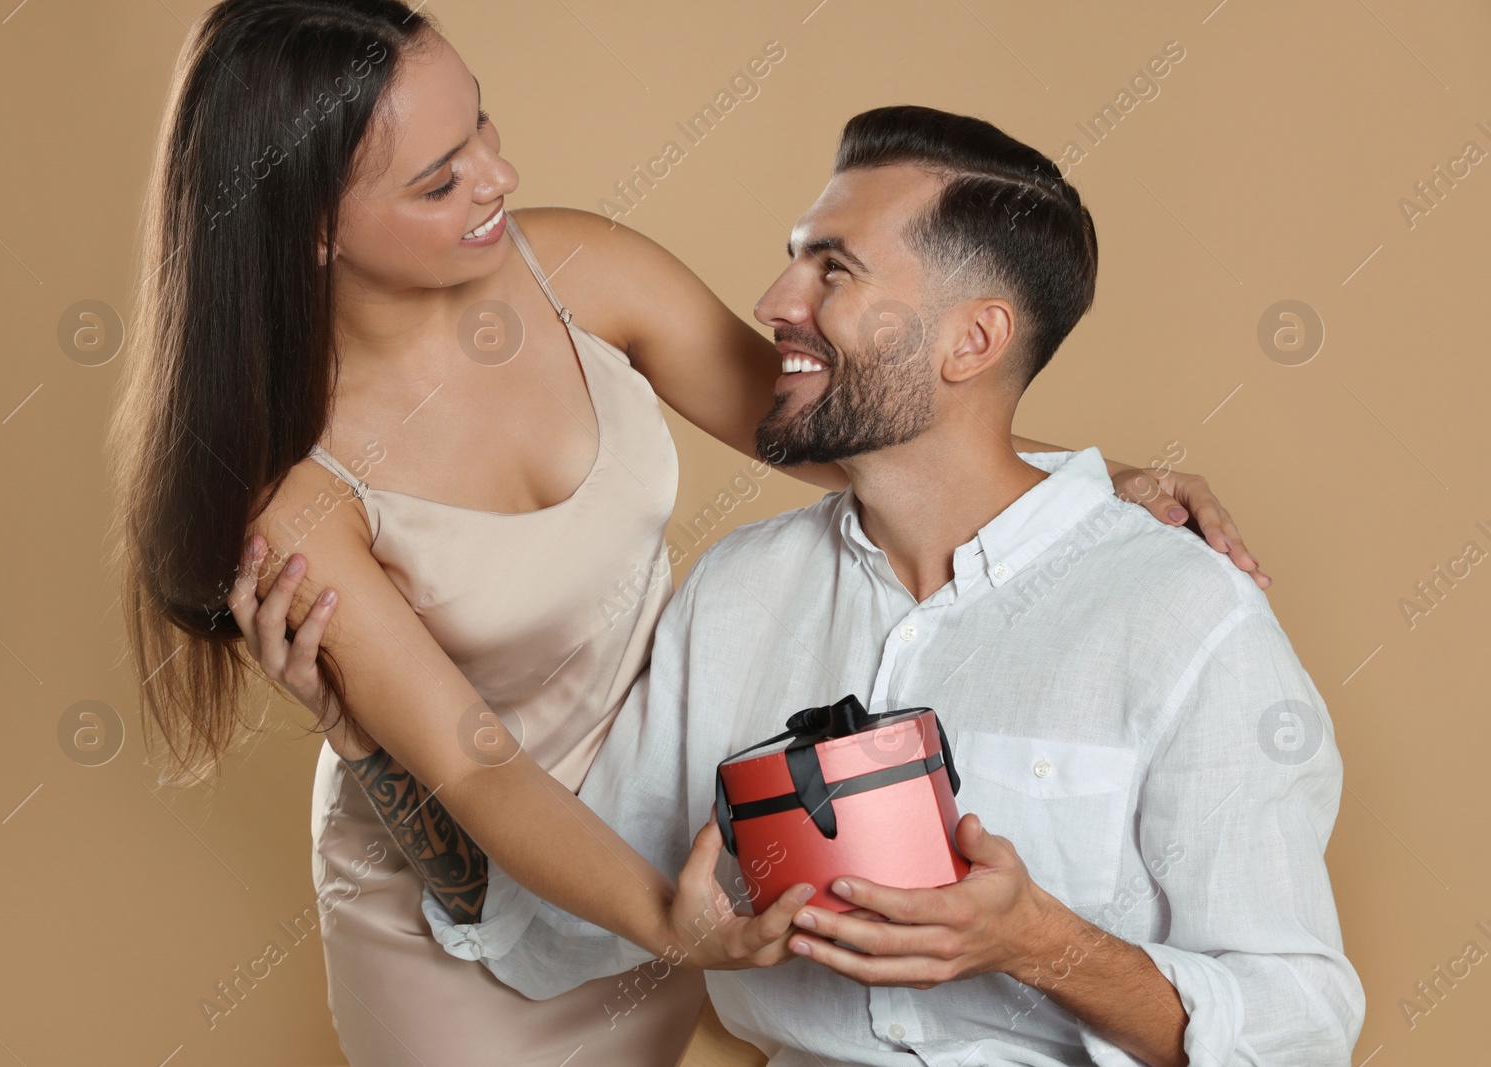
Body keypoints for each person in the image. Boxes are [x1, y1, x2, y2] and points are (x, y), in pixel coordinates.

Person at [111, 1, 1268, 1063]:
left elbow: (822, 419)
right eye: (437, 180)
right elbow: (477, 760)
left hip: (670, 810)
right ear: (310, 229)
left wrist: (1079, 481)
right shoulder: (299, 497)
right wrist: (663, 914)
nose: (497, 178)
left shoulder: (571, 267)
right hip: (482, 884)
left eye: (482, 128)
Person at [415, 107, 1367, 1066]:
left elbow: (1301, 1028)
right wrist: (371, 722)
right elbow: (564, 926)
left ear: (972, 341)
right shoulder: (738, 592)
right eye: (795, 259)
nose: (775, 299)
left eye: (834, 268)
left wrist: (1043, 945)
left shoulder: (1183, 609)